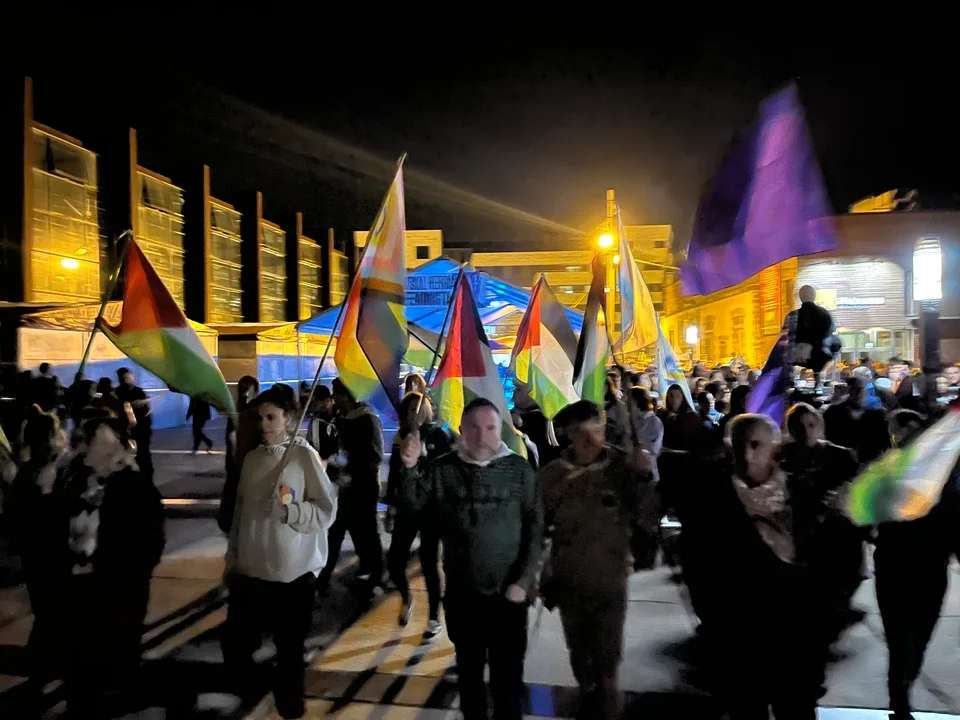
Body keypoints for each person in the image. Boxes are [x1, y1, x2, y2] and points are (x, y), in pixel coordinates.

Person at [676, 415, 820, 719]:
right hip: (737, 637)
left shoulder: (801, 493)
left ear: (775, 448)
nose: (747, 454)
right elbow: (695, 561)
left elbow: (822, 563)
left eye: (756, 445)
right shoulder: (711, 497)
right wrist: (714, 621)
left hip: (793, 637)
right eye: (739, 445)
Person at [222, 386, 338, 719]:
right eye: (260, 418)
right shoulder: (252, 459)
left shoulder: (303, 457)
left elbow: (326, 510)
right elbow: (241, 516)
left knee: (289, 649)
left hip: (292, 576)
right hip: (250, 572)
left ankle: (290, 703)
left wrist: (291, 512)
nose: (263, 424)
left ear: (289, 419)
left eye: (271, 417)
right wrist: (232, 560)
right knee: (237, 644)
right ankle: (253, 688)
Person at [425, 398, 543, 720]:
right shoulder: (442, 470)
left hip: (509, 596)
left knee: (508, 679)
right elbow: (414, 510)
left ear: (500, 430)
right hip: (464, 595)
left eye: (490, 428)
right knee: (469, 676)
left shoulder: (519, 470)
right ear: (461, 429)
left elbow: (535, 529)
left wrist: (523, 581)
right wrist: (408, 470)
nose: (482, 436)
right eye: (473, 428)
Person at [539, 400, 657, 718]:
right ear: (568, 435)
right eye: (581, 432)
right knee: (580, 660)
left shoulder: (622, 467)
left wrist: (645, 476)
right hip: (569, 582)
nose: (591, 440)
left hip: (610, 582)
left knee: (608, 667)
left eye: (597, 430)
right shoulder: (551, 476)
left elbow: (648, 518)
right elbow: (536, 528)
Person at [62, 416, 165, 718]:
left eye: (111, 445)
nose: (108, 452)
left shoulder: (135, 485)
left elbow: (152, 538)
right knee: (83, 652)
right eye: (99, 445)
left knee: (122, 645)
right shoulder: (74, 483)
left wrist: (134, 573)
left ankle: (120, 695)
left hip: (121, 584)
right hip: (80, 585)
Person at [387, 391, 452, 638]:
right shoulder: (401, 437)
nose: (415, 413)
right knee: (395, 560)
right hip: (406, 507)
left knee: (429, 562)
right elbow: (394, 472)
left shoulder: (438, 435)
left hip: (431, 510)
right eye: (410, 409)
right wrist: (391, 503)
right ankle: (406, 597)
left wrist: (423, 456)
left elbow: (445, 471)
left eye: (420, 408)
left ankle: (434, 616)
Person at [318, 378, 385, 596]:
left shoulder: (367, 418)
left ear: (349, 396)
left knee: (366, 530)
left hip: (364, 485)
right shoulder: (340, 417)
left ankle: (375, 572)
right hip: (343, 485)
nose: (335, 399)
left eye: (339, 395)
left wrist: (349, 465)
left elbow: (375, 455)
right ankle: (324, 575)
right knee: (337, 529)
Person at [221, 375, 260, 533]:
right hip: (238, 469)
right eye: (242, 390)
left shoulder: (256, 414)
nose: (245, 394)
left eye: (247, 390)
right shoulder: (238, 413)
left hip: (247, 469)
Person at [116, 367, 153, 480]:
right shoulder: (119, 392)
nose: (127, 379)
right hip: (126, 425)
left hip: (141, 425)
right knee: (126, 450)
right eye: (124, 378)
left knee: (143, 451)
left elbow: (146, 408)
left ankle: (144, 473)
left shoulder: (138, 391)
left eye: (128, 377)